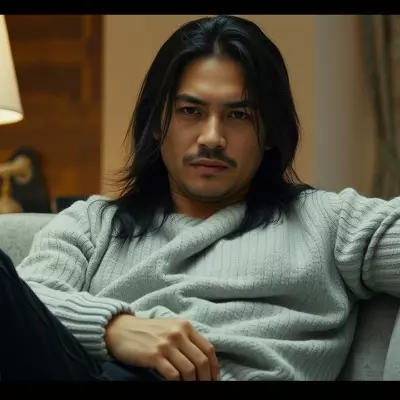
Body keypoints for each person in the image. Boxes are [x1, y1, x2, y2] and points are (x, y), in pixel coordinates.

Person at [1, 14, 400, 382]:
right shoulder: (92, 223)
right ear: (157, 123)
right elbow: (28, 306)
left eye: (239, 115)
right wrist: (113, 327)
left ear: (269, 134)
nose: (212, 137)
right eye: (190, 111)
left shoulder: (329, 222)